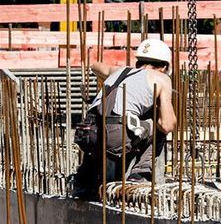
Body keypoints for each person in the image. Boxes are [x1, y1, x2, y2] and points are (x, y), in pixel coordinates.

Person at [73, 38, 177, 197]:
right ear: (164, 67)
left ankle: (86, 177)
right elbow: (167, 125)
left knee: (106, 126)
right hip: (115, 135)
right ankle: (140, 174)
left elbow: (95, 66)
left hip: (86, 132)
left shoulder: (121, 71)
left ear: (139, 62)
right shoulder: (161, 78)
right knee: (155, 124)